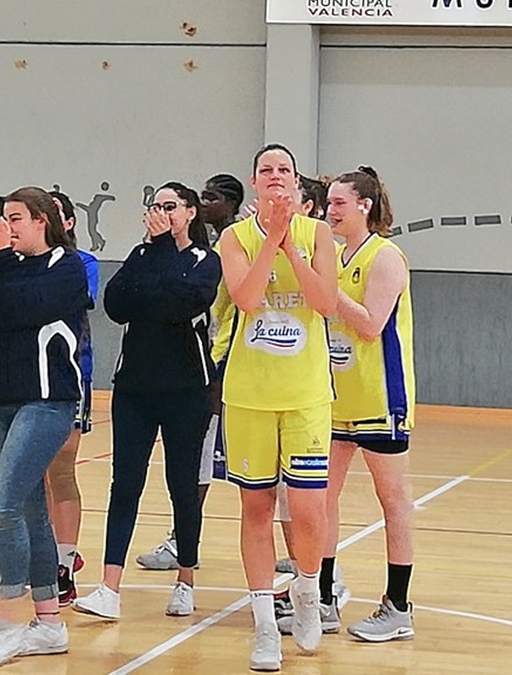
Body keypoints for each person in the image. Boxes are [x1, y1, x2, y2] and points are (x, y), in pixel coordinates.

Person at [0, 187, 90, 667]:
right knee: (30, 510)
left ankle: (10, 621)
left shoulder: (66, 267)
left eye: (14, 218)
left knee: (4, 503)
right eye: (2, 219)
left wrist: (2, 262)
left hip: (48, 401)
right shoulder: (4, 266)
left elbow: (27, 306)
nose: (5, 226)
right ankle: (49, 623)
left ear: (41, 221)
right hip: (4, 398)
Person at [74, 182, 220, 621]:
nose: (161, 213)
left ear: (191, 213)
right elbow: (117, 305)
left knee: (182, 484)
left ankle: (186, 578)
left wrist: (154, 280)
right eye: (155, 206)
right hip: (134, 387)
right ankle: (109, 586)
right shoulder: (141, 256)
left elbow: (181, 302)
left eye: (171, 206)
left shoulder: (204, 261)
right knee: (125, 483)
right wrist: (153, 261)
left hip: (186, 390)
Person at [219, 144, 338, 670]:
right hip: (248, 396)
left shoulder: (319, 235)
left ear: (295, 183)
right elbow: (245, 298)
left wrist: (292, 247)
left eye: (283, 171)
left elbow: (325, 303)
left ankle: (308, 592)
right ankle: (265, 625)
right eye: (265, 170)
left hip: (306, 395)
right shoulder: (233, 238)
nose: (274, 177)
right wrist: (270, 239)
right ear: (254, 181)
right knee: (256, 509)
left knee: (309, 510)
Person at [323, 167, 417, 642]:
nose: (330, 211)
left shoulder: (386, 257)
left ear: (364, 205)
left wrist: (329, 289)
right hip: (337, 397)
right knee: (321, 498)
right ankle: (323, 596)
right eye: (329, 203)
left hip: (381, 398)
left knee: (392, 500)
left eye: (339, 203)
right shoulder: (338, 256)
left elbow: (369, 325)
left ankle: (398, 606)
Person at [136, 172, 243, 571]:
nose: (205, 202)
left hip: (230, 361)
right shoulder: (196, 248)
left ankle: (303, 555)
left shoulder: (235, 245)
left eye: (212, 197)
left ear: (229, 203)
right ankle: (181, 538)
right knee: (197, 458)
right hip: (205, 361)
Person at [45, 190, 98, 606]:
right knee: (31, 473)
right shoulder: (19, 263)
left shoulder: (83, 265)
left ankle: (63, 562)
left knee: (61, 469)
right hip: (23, 379)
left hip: (68, 376)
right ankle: (45, 554)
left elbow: (70, 303)